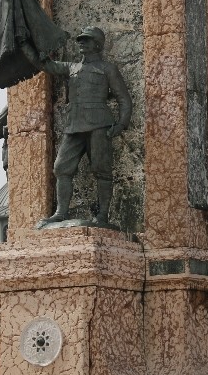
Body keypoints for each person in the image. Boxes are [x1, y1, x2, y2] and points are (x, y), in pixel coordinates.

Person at [22, 26, 132, 227]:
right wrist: (24, 42)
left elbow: (124, 99)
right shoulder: (71, 68)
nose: (81, 42)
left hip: (99, 124)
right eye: (80, 40)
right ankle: (61, 212)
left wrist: (121, 124)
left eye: (86, 40)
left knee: (102, 170)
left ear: (97, 44)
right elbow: (44, 65)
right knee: (61, 168)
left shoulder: (108, 69)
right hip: (74, 125)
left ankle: (102, 217)